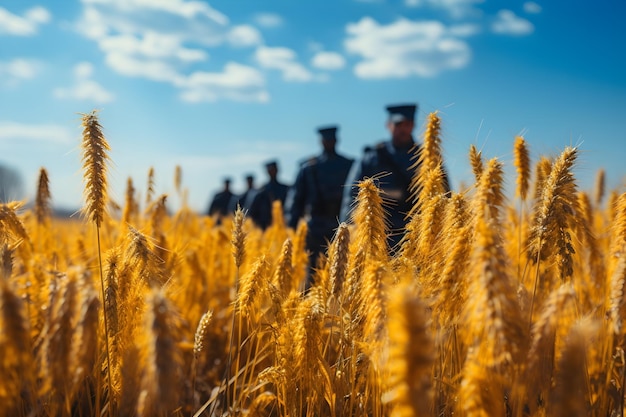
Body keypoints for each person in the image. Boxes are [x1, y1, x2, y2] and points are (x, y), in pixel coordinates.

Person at [340, 103, 450, 250]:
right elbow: (352, 195)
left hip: (417, 239)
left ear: (413, 126)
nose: (403, 129)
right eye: (399, 124)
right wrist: (348, 232)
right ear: (388, 125)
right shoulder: (372, 156)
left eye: (408, 124)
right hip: (377, 236)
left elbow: (445, 197)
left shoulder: (429, 158)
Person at [285, 125, 354, 287]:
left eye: (331, 139)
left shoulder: (348, 164)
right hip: (315, 226)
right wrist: (292, 228)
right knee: (314, 273)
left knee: (342, 272)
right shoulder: (309, 168)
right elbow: (296, 199)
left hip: (341, 225)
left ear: (336, 140)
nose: (329, 142)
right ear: (321, 142)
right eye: (326, 140)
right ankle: (311, 309)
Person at [248, 160, 290, 229]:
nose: (272, 172)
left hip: (283, 226)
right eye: (270, 170)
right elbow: (253, 212)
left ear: (277, 170)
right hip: (265, 227)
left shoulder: (286, 188)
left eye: (274, 170)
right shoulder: (261, 190)